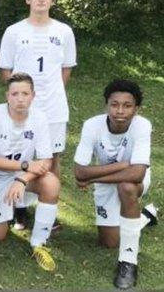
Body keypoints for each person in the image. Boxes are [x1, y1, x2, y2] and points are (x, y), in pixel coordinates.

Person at [0, 0, 76, 230]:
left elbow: (65, 70)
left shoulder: (63, 31)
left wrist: (48, 93)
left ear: (52, 0)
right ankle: (18, 210)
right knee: (20, 154)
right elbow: (6, 71)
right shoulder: (14, 31)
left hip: (53, 108)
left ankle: (47, 213)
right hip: (21, 107)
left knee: (51, 158)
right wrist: (20, 99)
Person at [74, 79, 157, 289]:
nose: (120, 111)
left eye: (127, 106)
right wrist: (121, 165)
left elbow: (138, 173)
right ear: (106, 105)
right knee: (109, 242)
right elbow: (78, 170)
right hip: (110, 180)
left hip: (130, 181)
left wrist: (91, 178)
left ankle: (128, 262)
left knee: (127, 187)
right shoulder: (92, 125)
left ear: (136, 109)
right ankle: (145, 216)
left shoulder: (142, 125)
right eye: (114, 104)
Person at [0, 72, 60, 272]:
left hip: (21, 176)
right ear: (7, 96)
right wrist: (24, 166)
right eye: (15, 94)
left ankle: (38, 243)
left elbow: (46, 159)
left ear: (33, 96)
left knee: (51, 183)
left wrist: (22, 179)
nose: (20, 99)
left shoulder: (39, 118)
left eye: (25, 93)